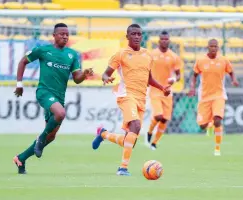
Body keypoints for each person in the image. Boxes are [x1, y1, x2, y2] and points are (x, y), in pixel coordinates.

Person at [13, 23, 94, 174]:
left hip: (59, 97)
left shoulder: (72, 55)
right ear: (54, 35)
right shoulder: (43, 50)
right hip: (44, 92)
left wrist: (85, 74)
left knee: (51, 136)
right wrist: (19, 84)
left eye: (67, 34)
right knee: (60, 114)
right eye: (62, 34)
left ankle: (21, 158)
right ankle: (40, 139)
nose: (65, 36)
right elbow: (23, 61)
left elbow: (76, 78)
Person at [91, 24, 171, 176]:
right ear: (127, 36)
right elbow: (106, 74)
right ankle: (122, 168)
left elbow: (149, 79)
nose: (136, 36)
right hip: (126, 95)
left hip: (141, 98)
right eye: (133, 34)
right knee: (135, 125)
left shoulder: (148, 55)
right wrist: (107, 78)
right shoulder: (120, 54)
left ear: (142, 37)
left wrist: (162, 88)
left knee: (130, 140)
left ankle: (104, 134)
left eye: (139, 34)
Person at [188, 39, 239, 156]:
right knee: (202, 126)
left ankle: (217, 149)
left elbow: (231, 71)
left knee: (217, 120)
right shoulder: (200, 61)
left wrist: (234, 79)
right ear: (208, 47)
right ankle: (208, 126)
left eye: (215, 46)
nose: (213, 48)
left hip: (219, 95)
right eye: (211, 46)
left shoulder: (223, 60)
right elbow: (194, 75)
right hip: (204, 96)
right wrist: (192, 88)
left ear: (218, 48)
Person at [147, 31, 182, 150]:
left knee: (164, 119)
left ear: (169, 41)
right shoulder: (152, 55)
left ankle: (154, 143)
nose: (164, 41)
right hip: (155, 90)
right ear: (159, 41)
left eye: (166, 39)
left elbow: (178, 75)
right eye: (162, 39)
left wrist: (174, 79)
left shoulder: (174, 56)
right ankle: (149, 132)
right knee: (158, 116)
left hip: (167, 91)